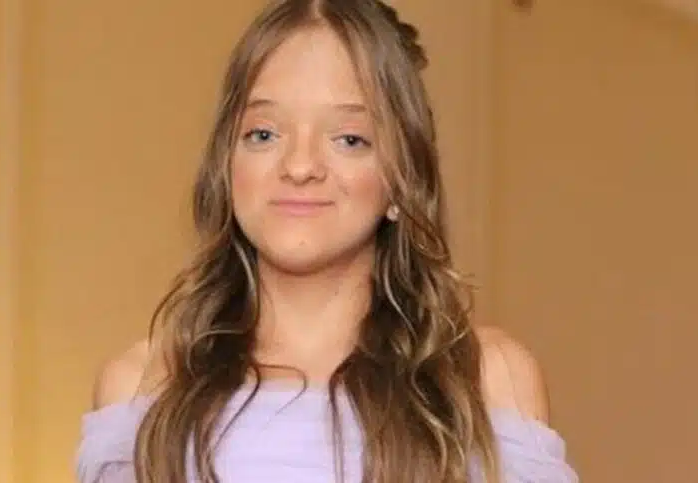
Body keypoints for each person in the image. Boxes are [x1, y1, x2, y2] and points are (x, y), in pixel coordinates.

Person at [76, 0, 579, 482]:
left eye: (349, 139)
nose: (300, 166)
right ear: (226, 166)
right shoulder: (141, 387)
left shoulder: (487, 383)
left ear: (401, 179)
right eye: (263, 134)